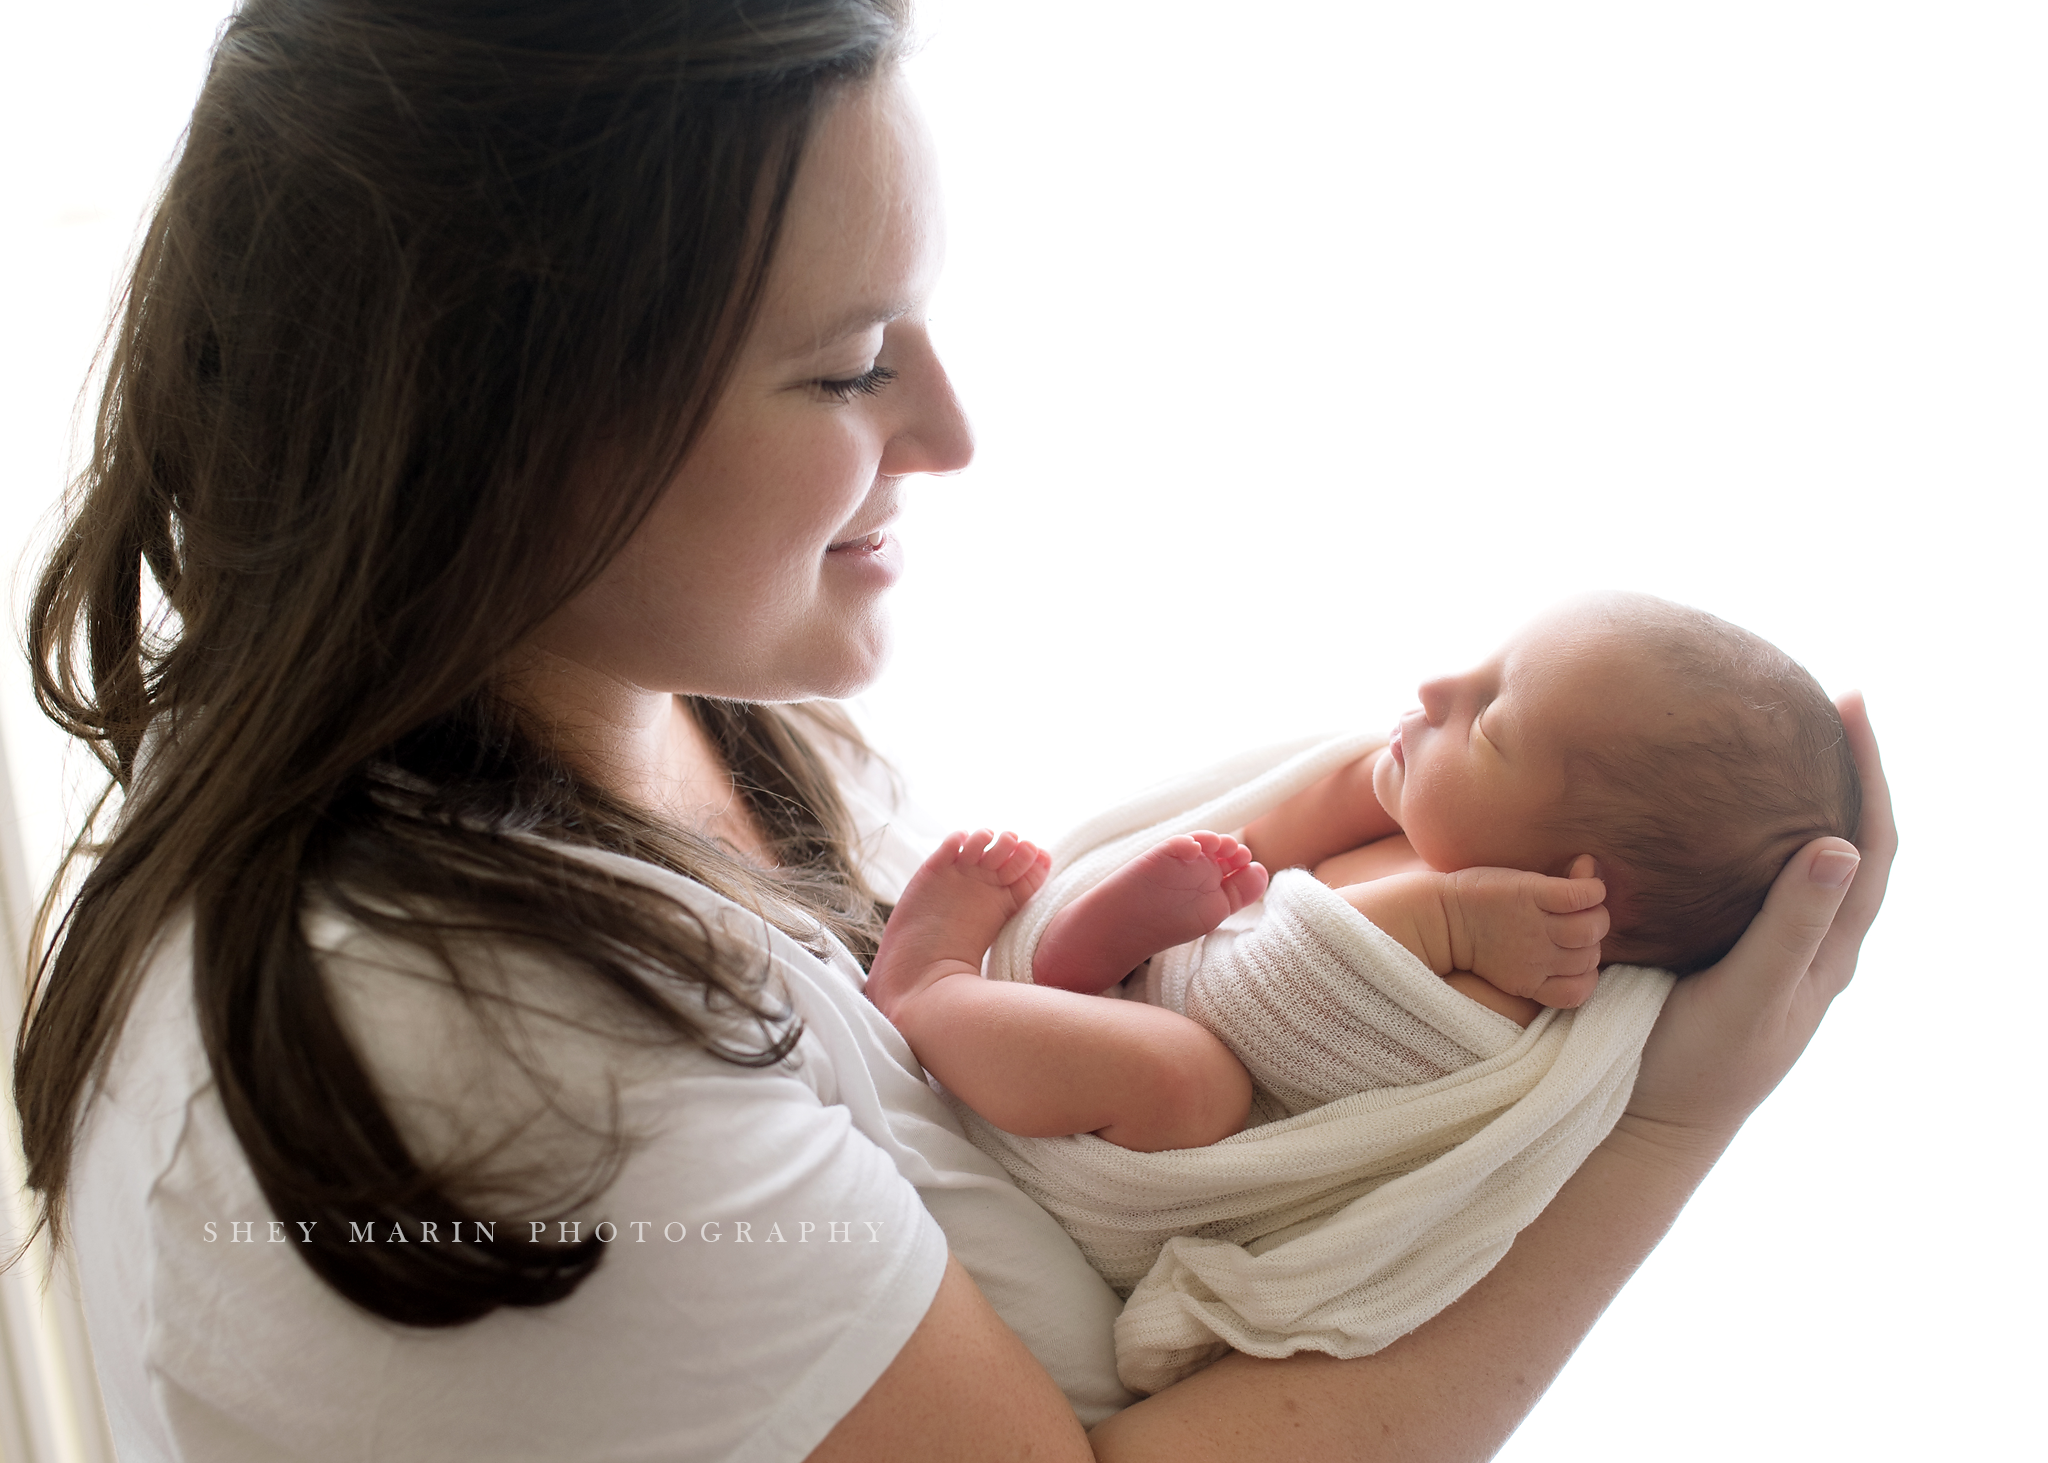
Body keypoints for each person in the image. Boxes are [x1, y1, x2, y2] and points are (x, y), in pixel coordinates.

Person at [4, 4, 1893, 1462]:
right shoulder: (482, 1060)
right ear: (495, 414)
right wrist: (1660, 1122)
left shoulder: (676, 711)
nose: (951, 429)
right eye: (844, 363)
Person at [863, 592, 1860, 1153]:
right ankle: (1095, 943)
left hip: (1173, 1112)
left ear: (1570, 881)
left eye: (1490, 719)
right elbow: (1271, 826)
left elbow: (1277, 1020)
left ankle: (927, 985)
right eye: (1480, 664)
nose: (1432, 688)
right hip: (1142, 983)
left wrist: (1448, 919)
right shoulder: (1417, 813)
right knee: (1212, 889)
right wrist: (1338, 804)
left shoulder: (1518, 976)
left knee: (1188, 1077)